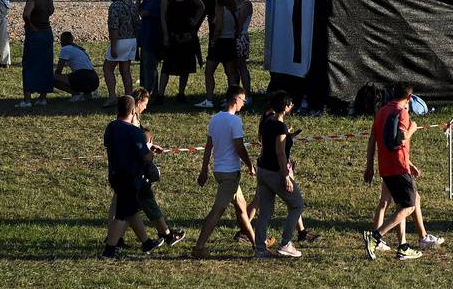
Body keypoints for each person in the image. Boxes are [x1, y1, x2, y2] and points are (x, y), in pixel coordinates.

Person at [101, 95, 183, 258]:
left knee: (130, 211)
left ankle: (147, 243)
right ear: (133, 111)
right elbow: (145, 157)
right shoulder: (134, 131)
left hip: (114, 174)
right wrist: (150, 152)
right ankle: (109, 251)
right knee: (123, 214)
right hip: (129, 177)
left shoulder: (110, 127)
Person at [364, 85, 427, 261]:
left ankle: (403, 247)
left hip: (385, 166)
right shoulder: (402, 112)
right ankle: (375, 236)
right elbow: (401, 138)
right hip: (398, 166)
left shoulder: (381, 111)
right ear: (410, 97)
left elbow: (373, 140)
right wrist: (413, 128)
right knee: (410, 205)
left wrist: (369, 166)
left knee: (401, 205)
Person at [192, 86, 255, 258]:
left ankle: (257, 244)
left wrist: (204, 170)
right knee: (217, 210)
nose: (244, 103)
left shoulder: (215, 119)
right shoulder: (235, 121)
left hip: (219, 171)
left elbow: (208, 147)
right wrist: (250, 165)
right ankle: (199, 247)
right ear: (235, 100)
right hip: (230, 174)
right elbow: (239, 147)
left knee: (242, 209)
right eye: (243, 100)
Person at [253, 91, 305, 259]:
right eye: (290, 104)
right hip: (276, 172)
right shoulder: (280, 127)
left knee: (265, 213)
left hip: (262, 171)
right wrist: (286, 176)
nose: (292, 106)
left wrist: (287, 135)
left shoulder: (268, 122)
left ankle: (260, 249)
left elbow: (270, 141)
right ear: (286, 107)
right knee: (297, 204)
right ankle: (285, 243)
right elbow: (280, 153)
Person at [18, 0, 57, 107]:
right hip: (47, 33)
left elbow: (26, 14)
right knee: (45, 64)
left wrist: (30, 25)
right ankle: (43, 97)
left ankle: (27, 99)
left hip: (35, 34)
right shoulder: (48, 0)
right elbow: (51, 11)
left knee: (29, 65)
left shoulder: (32, 0)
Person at [55, 32, 100, 100]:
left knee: (50, 78)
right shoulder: (79, 49)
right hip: (95, 79)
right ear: (72, 40)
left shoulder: (65, 49)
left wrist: (58, 78)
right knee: (73, 76)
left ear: (61, 41)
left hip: (84, 77)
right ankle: (87, 94)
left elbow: (59, 70)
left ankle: (76, 94)